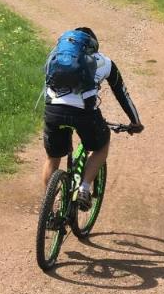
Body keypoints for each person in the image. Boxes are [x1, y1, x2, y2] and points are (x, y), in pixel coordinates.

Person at [42, 27, 143, 210]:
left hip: (53, 111)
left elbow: (47, 90)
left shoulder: (55, 58)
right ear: (93, 46)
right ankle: (84, 188)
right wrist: (135, 122)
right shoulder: (105, 62)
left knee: (53, 157)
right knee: (101, 146)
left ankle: (48, 209)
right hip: (84, 114)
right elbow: (122, 93)